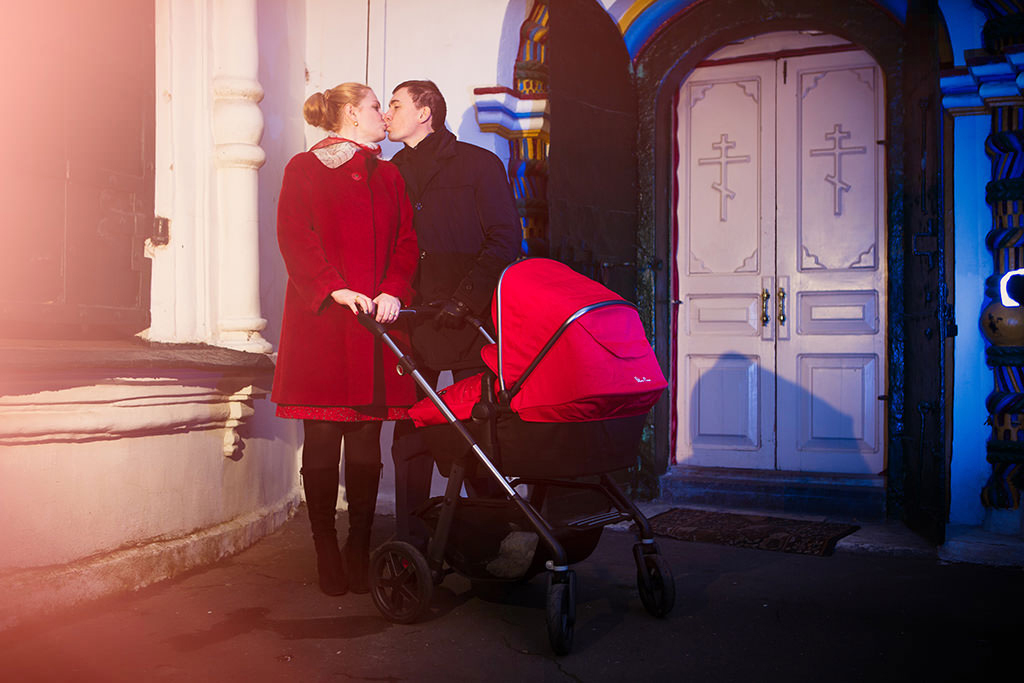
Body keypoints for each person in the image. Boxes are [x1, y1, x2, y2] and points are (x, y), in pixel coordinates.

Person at [272, 82, 419, 596]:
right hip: (324, 323)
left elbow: (407, 242)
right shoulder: (304, 168)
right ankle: (325, 548)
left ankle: (358, 545)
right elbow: (294, 236)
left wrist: (394, 289)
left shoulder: (390, 175)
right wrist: (332, 287)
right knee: (321, 439)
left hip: (375, 323)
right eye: (377, 107)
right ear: (352, 114)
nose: (384, 115)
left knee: (365, 444)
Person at [383, 79, 522, 547]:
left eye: (396, 105)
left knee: (479, 429)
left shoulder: (479, 164)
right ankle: (411, 542)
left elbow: (504, 238)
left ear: (425, 112)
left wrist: (465, 299)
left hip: (469, 320)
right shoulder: (391, 172)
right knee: (410, 432)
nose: (388, 114)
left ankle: (490, 543)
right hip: (412, 319)